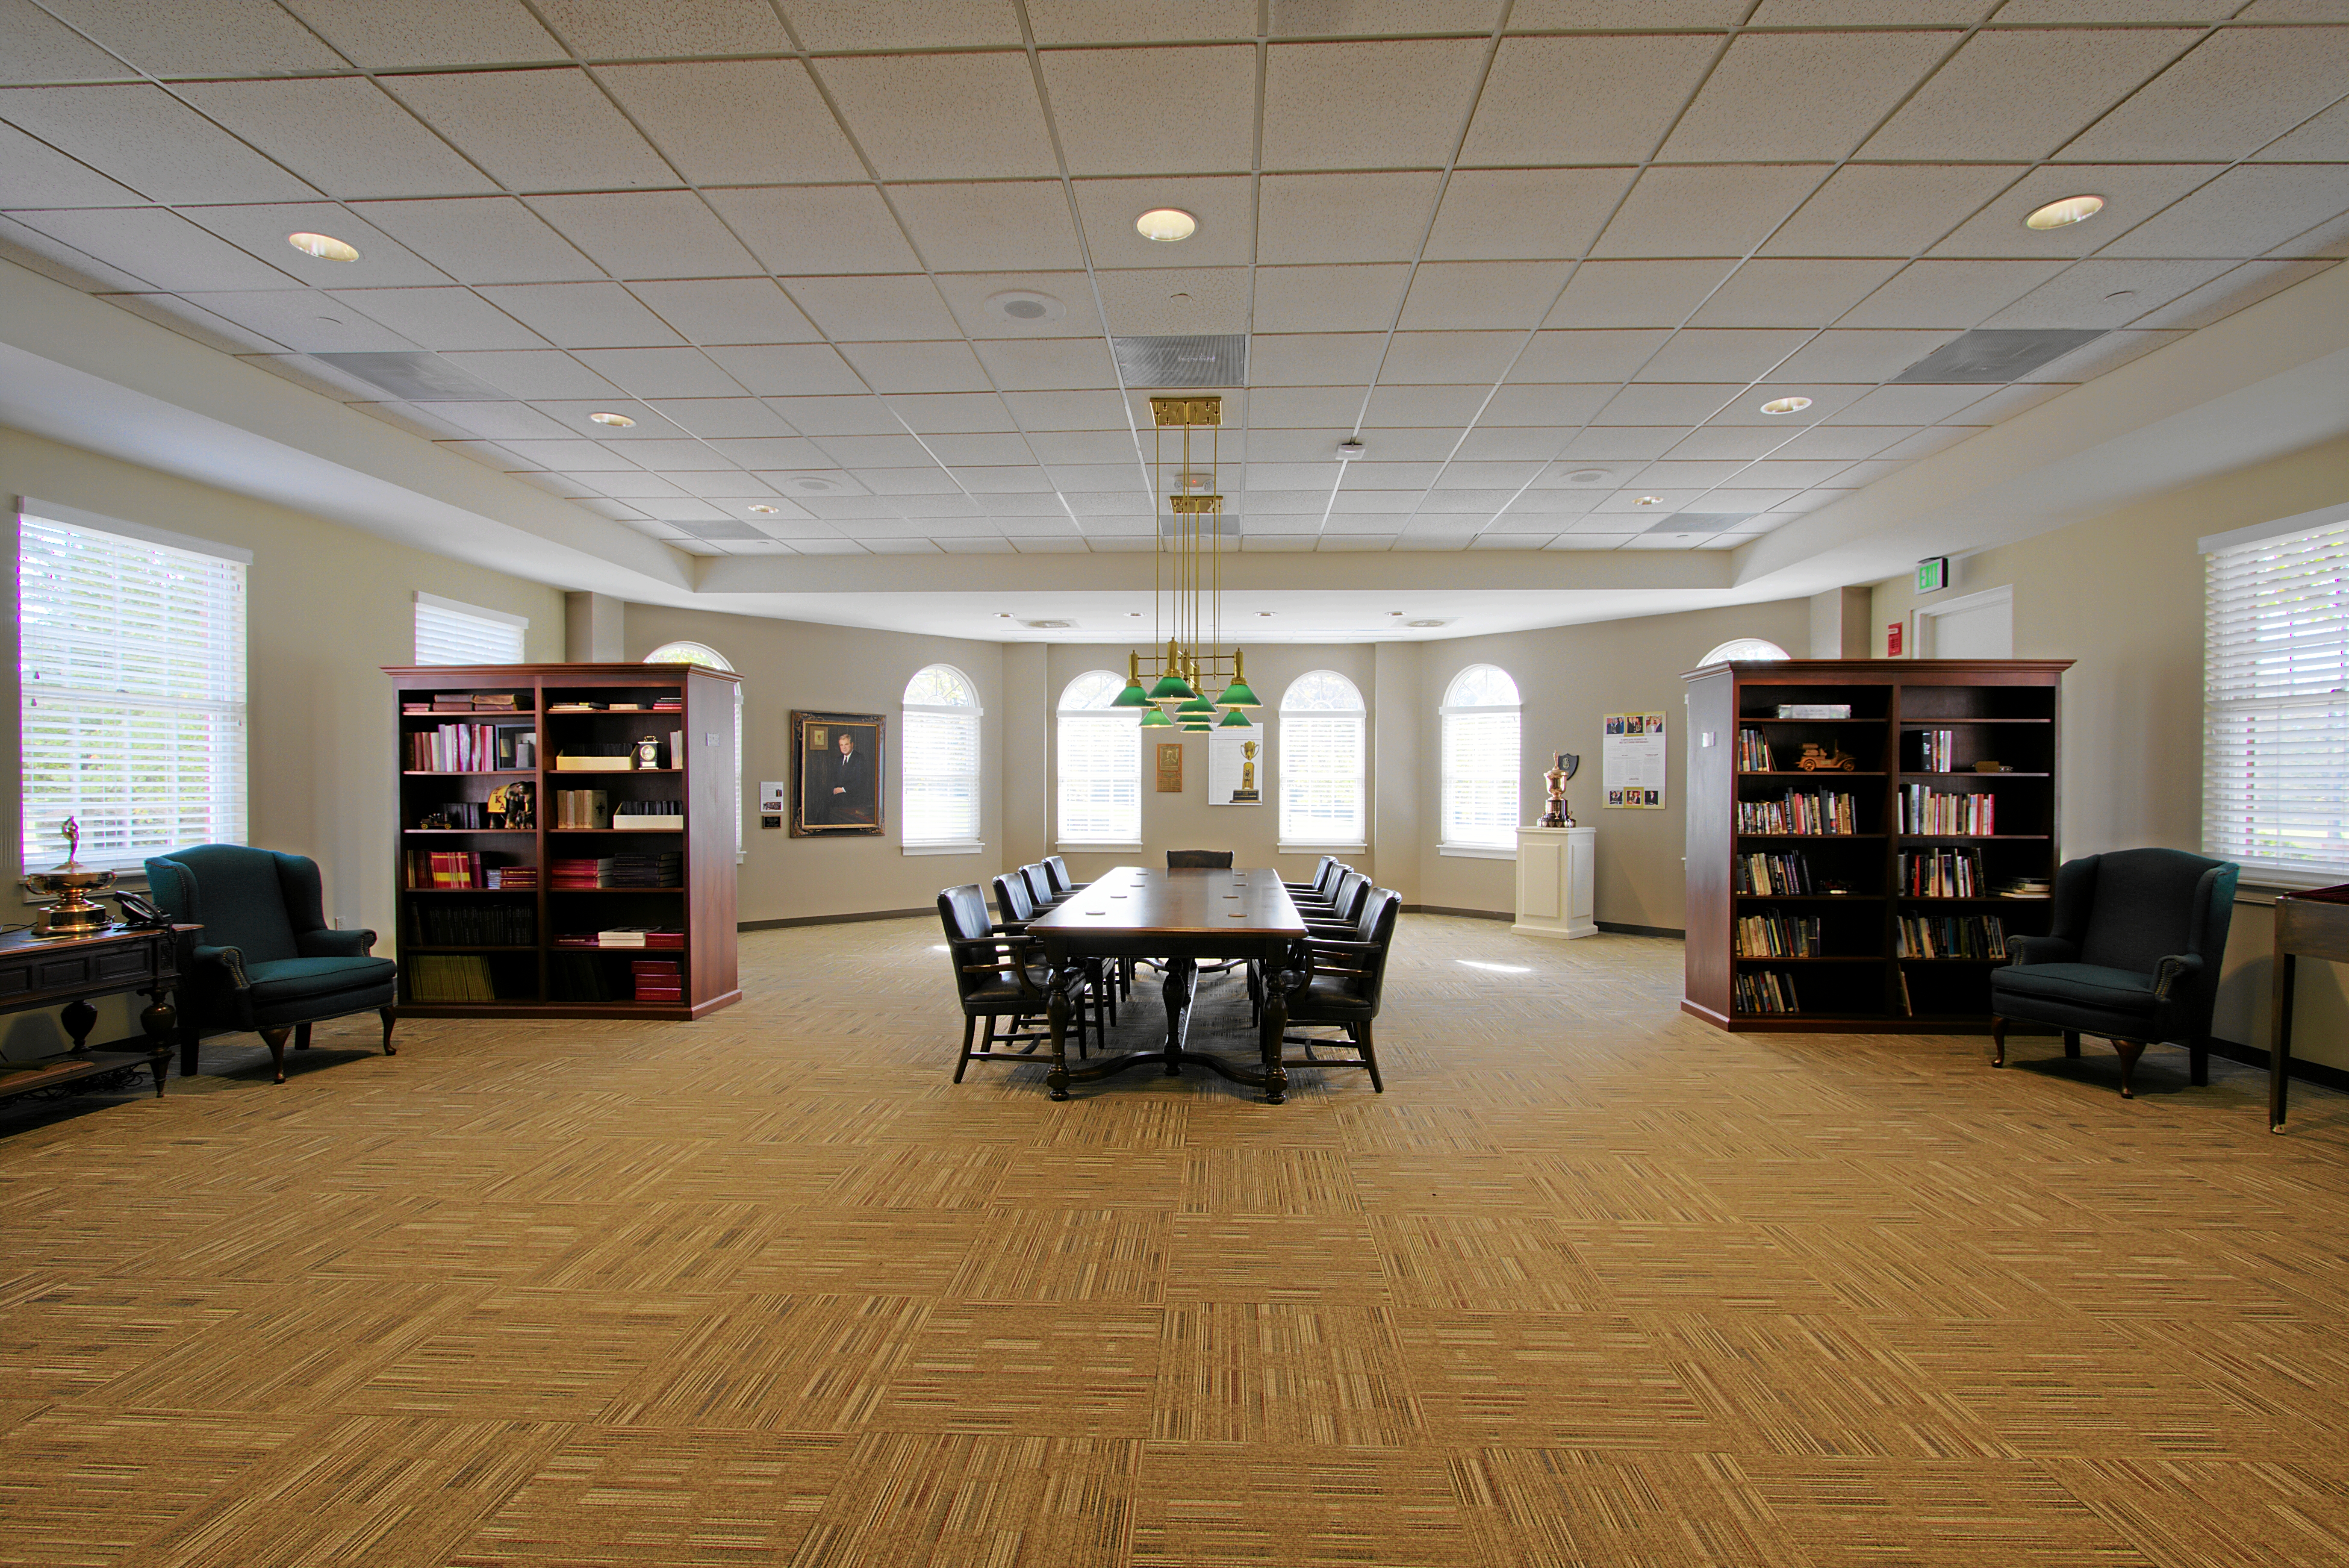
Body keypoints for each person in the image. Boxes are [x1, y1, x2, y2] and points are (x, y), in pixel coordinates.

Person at [824, 729, 873, 824]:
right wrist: (834, 789)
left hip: (854, 796)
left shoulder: (859, 758)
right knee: (826, 805)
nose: (844, 748)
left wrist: (843, 789)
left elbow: (861, 781)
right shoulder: (839, 760)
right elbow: (833, 778)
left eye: (846, 744)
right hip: (839, 795)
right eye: (842, 745)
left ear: (852, 745)